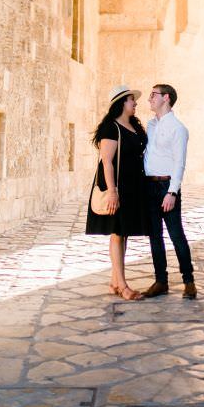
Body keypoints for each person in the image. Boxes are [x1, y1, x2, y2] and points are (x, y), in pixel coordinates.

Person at [85, 84, 149, 300]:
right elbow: (107, 162)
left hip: (132, 186)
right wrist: (112, 191)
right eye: (132, 100)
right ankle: (122, 286)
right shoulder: (111, 128)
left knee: (124, 232)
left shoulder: (134, 126)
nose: (135, 103)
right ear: (122, 103)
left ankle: (114, 281)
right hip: (117, 186)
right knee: (117, 233)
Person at [142, 84, 196, 299]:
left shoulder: (178, 128)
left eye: (153, 95)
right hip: (149, 186)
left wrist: (172, 192)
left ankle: (189, 281)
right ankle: (160, 281)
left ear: (166, 98)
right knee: (154, 236)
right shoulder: (150, 125)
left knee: (176, 235)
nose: (149, 99)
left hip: (167, 187)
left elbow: (179, 163)